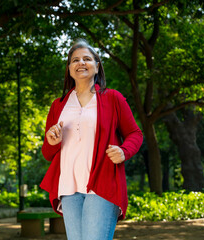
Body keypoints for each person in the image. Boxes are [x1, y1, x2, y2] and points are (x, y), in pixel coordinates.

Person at [39, 39, 143, 240]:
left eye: (87, 59)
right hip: (69, 187)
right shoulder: (58, 105)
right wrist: (52, 142)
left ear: (97, 66)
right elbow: (47, 152)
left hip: (102, 184)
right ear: (69, 69)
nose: (81, 63)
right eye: (75, 60)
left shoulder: (113, 98)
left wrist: (123, 151)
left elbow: (135, 134)